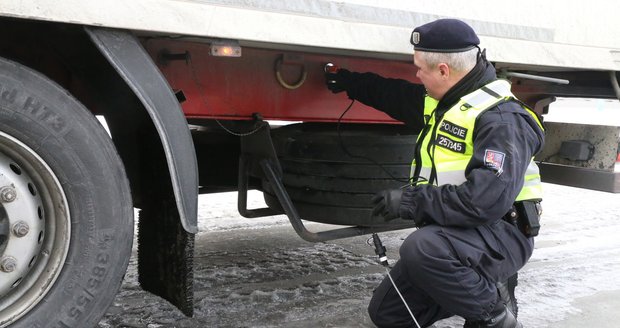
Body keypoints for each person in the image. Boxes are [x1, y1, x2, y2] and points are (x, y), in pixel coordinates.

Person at [325, 19, 544, 328]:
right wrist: (350, 81)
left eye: (420, 69)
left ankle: (497, 320)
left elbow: (485, 201)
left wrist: (412, 200)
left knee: (421, 248)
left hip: (502, 232)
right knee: (389, 312)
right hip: (461, 229)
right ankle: (481, 294)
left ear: (443, 70)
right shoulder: (448, 101)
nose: (417, 75)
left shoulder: (502, 120)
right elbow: (395, 95)